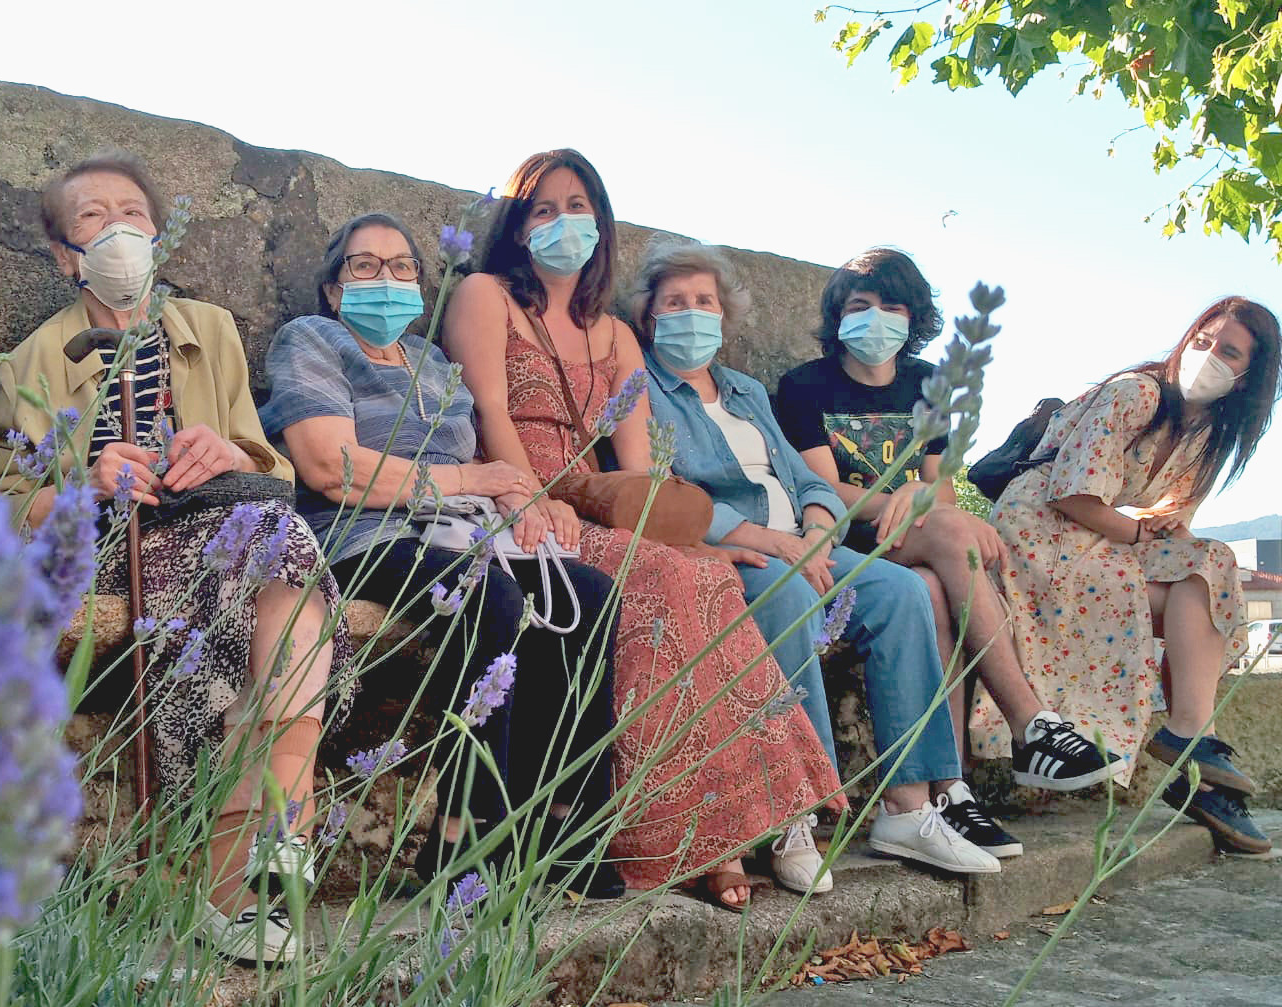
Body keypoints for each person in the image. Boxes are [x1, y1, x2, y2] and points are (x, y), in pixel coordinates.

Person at [443, 150, 842, 910]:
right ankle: (666, 833)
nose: (566, 224)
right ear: (518, 224)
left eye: (580, 206)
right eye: (545, 209)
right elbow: (488, 411)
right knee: (664, 578)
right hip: (516, 496)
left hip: (596, 505)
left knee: (705, 571)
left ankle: (734, 824)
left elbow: (636, 468)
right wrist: (528, 500)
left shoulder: (616, 334)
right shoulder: (485, 294)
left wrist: (691, 532)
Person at [0, 154, 355, 962]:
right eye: (91, 217)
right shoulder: (34, 360)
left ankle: (247, 854)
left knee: (274, 543)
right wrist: (85, 480)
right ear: (62, 253)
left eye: (133, 213)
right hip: (118, 548)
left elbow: (274, 473)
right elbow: (2, 501)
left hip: (230, 530)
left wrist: (226, 450)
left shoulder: (212, 329)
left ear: (160, 235)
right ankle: (251, 859)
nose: (117, 228)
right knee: (271, 559)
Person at [262, 211, 628, 899]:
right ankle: (465, 832)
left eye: (402, 267)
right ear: (335, 290)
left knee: (588, 596)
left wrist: (524, 502)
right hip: (367, 536)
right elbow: (330, 468)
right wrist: (472, 482)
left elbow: (485, 464)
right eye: (364, 266)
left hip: (463, 529)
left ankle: (562, 821)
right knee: (489, 601)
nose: (386, 279)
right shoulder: (311, 340)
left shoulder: (431, 362)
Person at [632, 238, 1007, 874]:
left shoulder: (747, 391)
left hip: (807, 546)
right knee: (792, 593)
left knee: (906, 593)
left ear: (725, 315)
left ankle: (908, 808)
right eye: (675, 302)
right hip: (739, 553)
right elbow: (661, 490)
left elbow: (808, 480)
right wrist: (770, 541)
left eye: (704, 301)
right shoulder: (641, 390)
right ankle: (792, 813)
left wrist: (814, 525)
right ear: (649, 317)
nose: (692, 314)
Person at [772, 247, 1120, 819]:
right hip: (850, 537)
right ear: (838, 316)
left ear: (913, 319)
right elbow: (826, 490)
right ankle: (1030, 721)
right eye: (861, 305)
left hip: (919, 540)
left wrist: (924, 499)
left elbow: (942, 485)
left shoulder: (930, 384)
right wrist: (910, 502)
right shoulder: (806, 386)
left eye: (892, 306)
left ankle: (949, 790)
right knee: (955, 538)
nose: (876, 318)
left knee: (937, 589)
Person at [971, 297, 1279, 856]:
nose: (1206, 356)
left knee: (1210, 569)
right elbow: (1073, 494)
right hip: (1041, 526)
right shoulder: (1136, 394)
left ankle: (1190, 737)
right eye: (1203, 341)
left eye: (1227, 352)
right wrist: (1140, 537)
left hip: (1099, 536)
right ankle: (1202, 771)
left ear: (1246, 377)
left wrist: (1167, 543)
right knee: (1160, 585)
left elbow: (1176, 525)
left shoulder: (1207, 434)